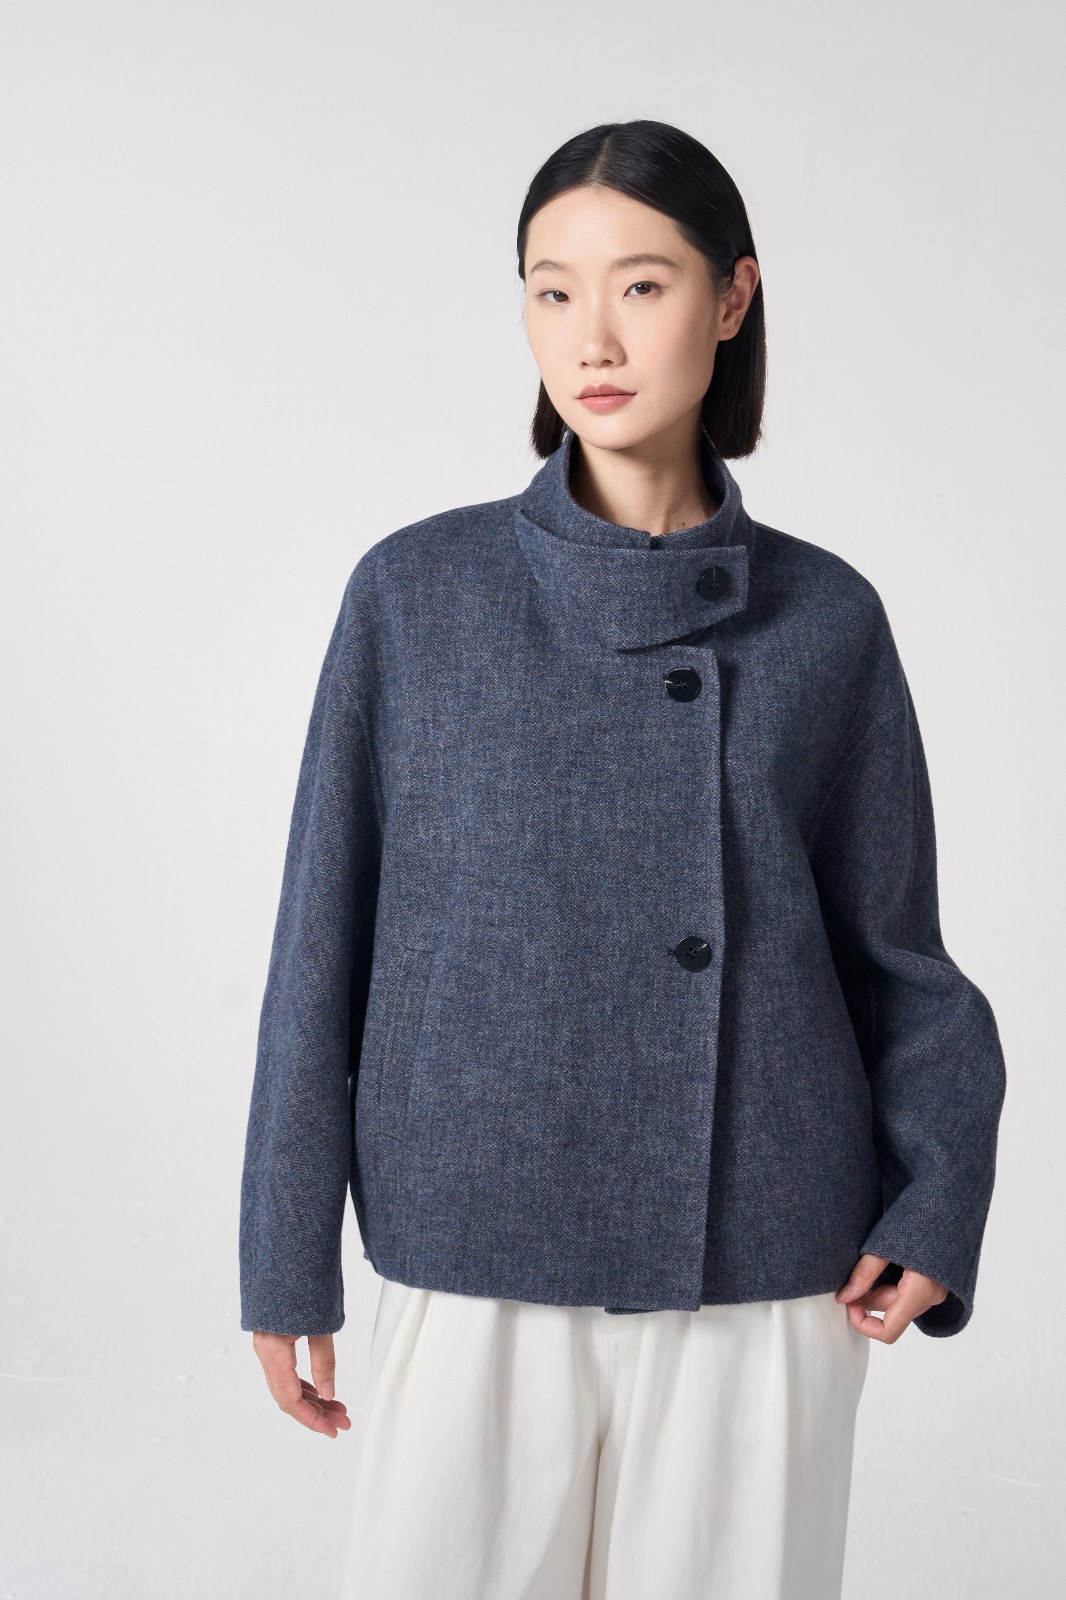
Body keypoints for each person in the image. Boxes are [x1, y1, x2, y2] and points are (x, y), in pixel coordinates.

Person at [239, 119, 1007, 1600]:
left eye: (641, 286)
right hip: (474, 1238)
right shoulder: (417, 594)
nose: (590, 337)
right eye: (552, 290)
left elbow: (897, 954)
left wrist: (936, 1197)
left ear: (731, 298)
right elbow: (318, 946)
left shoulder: (828, 617)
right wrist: (284, 1252)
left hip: (762, 1257)